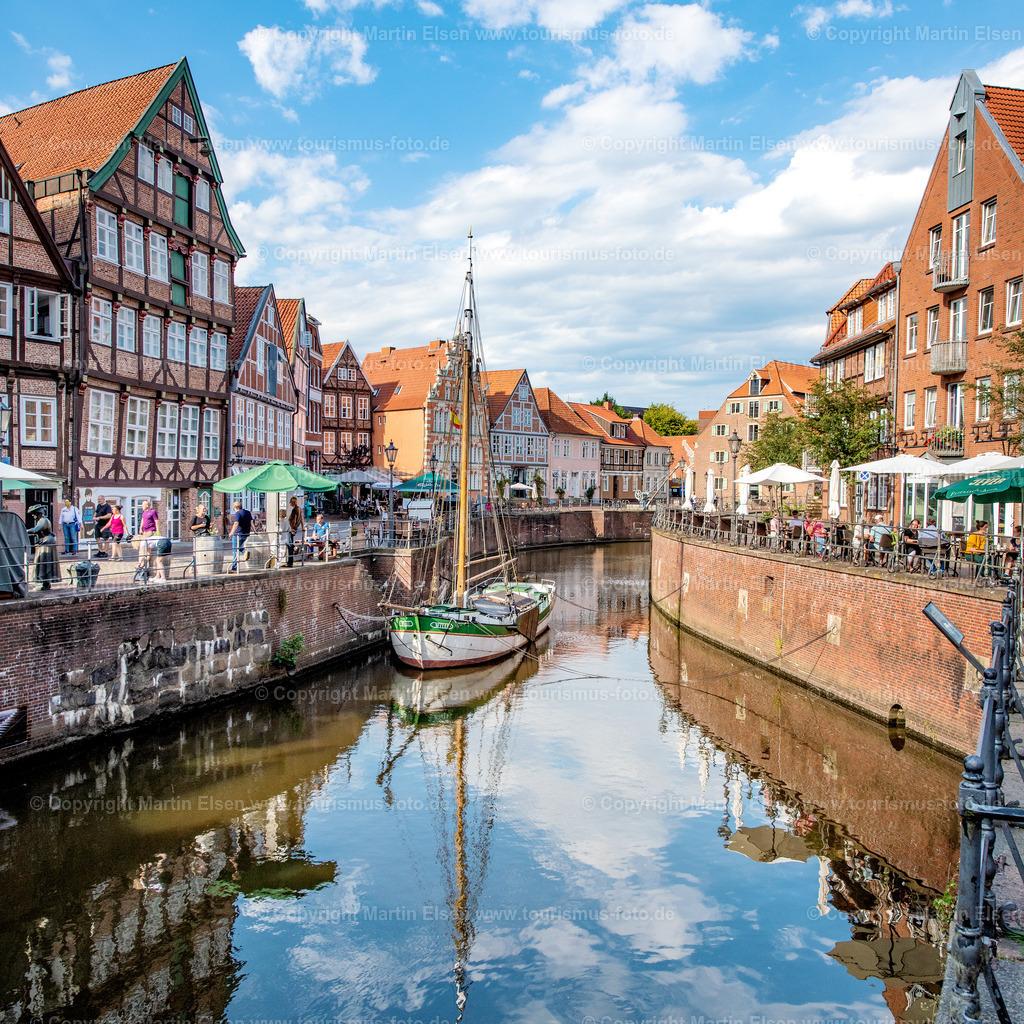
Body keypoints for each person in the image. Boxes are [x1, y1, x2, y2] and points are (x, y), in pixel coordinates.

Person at [26, 506, 60, 590]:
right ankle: (45, 582)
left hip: (46, 543)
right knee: (43, 562)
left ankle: (46, 583)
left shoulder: (43, 521)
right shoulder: (42, 520)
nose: (33, 516)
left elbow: (36, 530)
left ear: (38, 514)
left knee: (45, 562)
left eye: (34, 514)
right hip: (45, 542)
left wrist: (24, 531)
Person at [228, 500, 252, 572]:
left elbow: (236, 523)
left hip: (238, 533)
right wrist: (255, 531)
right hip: (246, 533)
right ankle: (244, 551)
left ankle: (234, 568)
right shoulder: (247, 512)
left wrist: (232, 532)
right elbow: (252, 522)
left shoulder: (238, 513)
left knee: (235, 550)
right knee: (238, 547)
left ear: (235, 507)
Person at [136, 500, 159, 571]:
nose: (142, 506)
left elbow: (156, 521)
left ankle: (142, 563)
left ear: (147, 505)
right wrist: (140, 528)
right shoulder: (144, 512)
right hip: (145, 531)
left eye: (143, 505)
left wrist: (157, 531)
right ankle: (143, 563)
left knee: (145, 547)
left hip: (150, 531)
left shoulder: (153, 512)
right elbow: (142, 520)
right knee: (144, 548)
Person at [286, 496, 304, 567]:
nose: (289, 503)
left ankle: (290, 562)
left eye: (290, 501)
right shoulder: (300, 509)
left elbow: (294, 520)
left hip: (292, 529)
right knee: (289, 543)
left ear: (293, 502)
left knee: (289, 544)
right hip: (296, 528)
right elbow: (302, 519)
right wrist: (302, 527)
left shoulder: (294, 510)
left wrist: (291, 528)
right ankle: (290, 562)